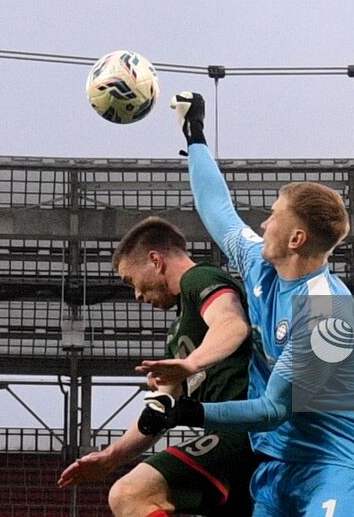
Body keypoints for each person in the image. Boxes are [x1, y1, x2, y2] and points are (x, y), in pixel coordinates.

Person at [138, 92, 354, 517]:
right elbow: (218, 210)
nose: (263, 224)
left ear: (296, 239)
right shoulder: (259, 263)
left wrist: (182, 412)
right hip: (274, 470)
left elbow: (273, 409)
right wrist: (195, 136)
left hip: (337, 469)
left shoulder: (327, 314)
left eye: (273, 216)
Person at [58, 216, 256, 517]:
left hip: (244, 431)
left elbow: (232, 324)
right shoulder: (178, 333)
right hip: (229, 444)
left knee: (130, 494)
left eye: (131, 280)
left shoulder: (199, 279)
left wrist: (190, 363)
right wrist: (111, 457)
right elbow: (158, 413)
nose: (137, 295)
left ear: (155, 260)